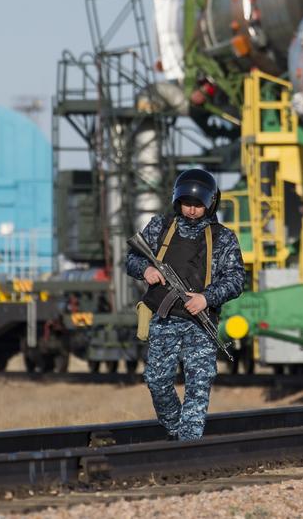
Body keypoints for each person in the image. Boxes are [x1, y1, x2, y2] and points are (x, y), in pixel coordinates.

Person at [125, 169, 244, 441]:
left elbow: (236, 279)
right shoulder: (160, 227)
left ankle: (188, 445)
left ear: (210, 203)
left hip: (201, 322)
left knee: (198, 385)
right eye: (186, 204)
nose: (191, 210)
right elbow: (131, 259)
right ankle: (175, 430)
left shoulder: (223, 238)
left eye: (198, 205)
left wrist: (206, 297)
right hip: (164, 319)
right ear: (177, 201)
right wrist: (145, 269)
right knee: (157, 381)